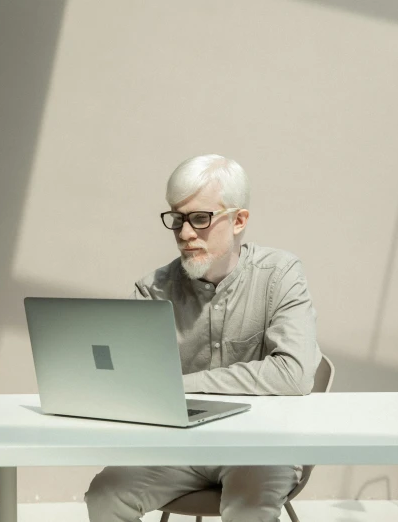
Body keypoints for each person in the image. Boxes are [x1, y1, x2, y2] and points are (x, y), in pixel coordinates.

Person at [85, 154, 322, 522]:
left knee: (248, 509)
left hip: (260, 446)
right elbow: (130, 381)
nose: (184, 234)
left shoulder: (280, 274)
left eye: (200, 218)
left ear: (239, 220)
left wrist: (180, 385)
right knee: (105, 494)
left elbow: (293, 374)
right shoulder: (153, 289)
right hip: (179, 447)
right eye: (177, 219)